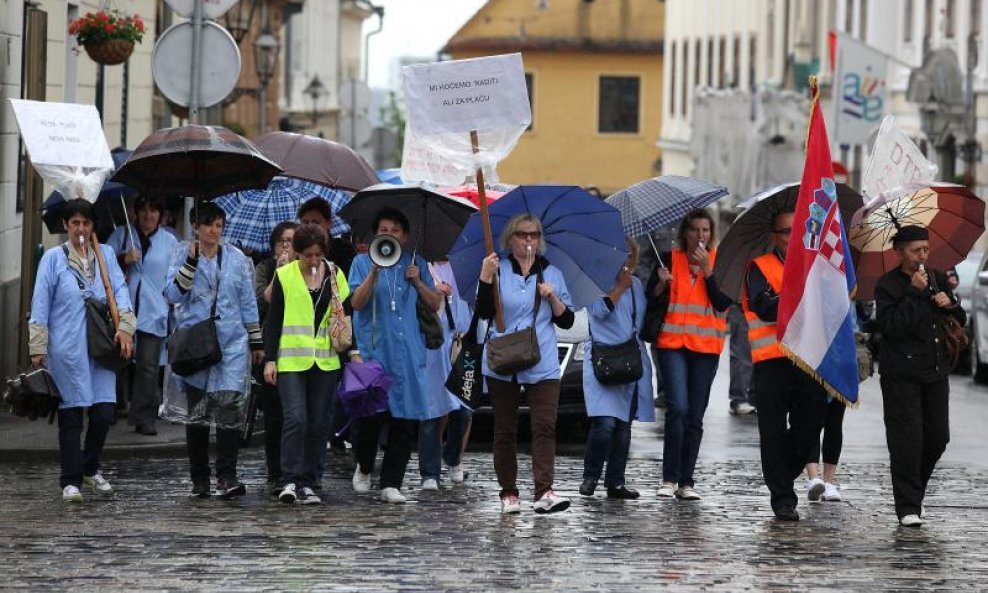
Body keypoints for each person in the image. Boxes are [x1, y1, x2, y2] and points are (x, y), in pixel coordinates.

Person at [29, 199, 136, 502]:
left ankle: (90, 467)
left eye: (86, 223)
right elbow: (40, 302)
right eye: (74, 223)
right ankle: (70, 479)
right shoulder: (53, 259)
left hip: (101, 346)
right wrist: (38, 347)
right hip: (67, 348)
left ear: (92, 227)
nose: (80, 228)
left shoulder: (106, 256)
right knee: (72, 414)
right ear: (66, 226)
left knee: (104, 412)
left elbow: (120, 291)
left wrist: (125, 327)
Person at [164, 202, 264, 499]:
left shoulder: (235, 259)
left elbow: (247, 301)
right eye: (208, 224)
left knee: (228, 412)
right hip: (196, 345)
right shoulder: (183, 253)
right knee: (197, 415)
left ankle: (226, 475)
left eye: (219, 225)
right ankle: (199, 477)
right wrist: (190, 264)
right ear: (196, 226)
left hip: (231, 345)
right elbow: (171, 294)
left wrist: (256, 342)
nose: (214, 230)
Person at [478, 214, 575, 514]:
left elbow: (568, 320)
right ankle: (509, 492)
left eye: (534, 235)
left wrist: (553, 299)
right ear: (511, 239)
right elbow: (482, 312)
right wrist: (485, 276)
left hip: (542, 360)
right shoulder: (498, 269)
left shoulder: (552, 274)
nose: (528, 240)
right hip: (503, 358)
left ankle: (544, 490)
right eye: (522, 235)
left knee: (545, 426)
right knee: (505, 429)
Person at [348, 207, 447, 504]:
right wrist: (375, 270)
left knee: (405, 421)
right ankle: (364, 465)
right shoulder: (362, 263)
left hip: (408, 356)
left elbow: (433, 305)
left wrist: (418, 281)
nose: (388, 234)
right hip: (375, 353)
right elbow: (357, 302)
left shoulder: (415, 263)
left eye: (394, 230)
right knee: (371, 420)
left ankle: (392, 482)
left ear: (404, 236)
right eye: (383, 230)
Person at [875, 224, 964, 527]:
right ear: (899, 253)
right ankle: (907, 507)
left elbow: (958, 316)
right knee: (906, 441)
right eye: (916, 251)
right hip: (901, 373)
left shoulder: (936, 277)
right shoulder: (887, 285)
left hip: (935, 369)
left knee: (938, 437)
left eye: (925, 249)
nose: (922, 256)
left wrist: (949, 303)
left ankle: (915, 492)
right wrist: (912, 293)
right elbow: (892, 328)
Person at [743, 208, 828, 521]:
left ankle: (784, 471)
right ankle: (782, 498)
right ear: (774, 237)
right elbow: (762, 306)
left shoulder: (814, 266)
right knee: (773, 431)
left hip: (807, 360)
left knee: (812, 421)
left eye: (796, 230)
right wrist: (794, 295)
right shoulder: (759, 267)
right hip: (772, 361)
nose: (792, 237)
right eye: (785, 231)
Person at [263, 224, 355, 505]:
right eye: (307, 255)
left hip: (325, 361)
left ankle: (309, 479)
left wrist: (353, 353)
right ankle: (288, 478)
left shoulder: (336, 274)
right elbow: (274, 319)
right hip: (291, 359)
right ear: (297, 253)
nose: (313, 260)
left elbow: (346, 315)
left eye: (317, 254)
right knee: (295, 418)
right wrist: (269, 358)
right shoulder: (285, 275)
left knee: (318, 423)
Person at [647, 209, 732, 500]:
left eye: (705, 230)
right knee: (678, 408)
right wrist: (660, 283)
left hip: (706, 347)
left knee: (695, 415)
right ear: (685, 233)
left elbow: (723, 303)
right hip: (672, 343)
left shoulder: (721, 261)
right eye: (695, 230)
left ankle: (687, 481)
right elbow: (651, 297)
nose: (700, 235)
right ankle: (669, 479)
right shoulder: (670, 259)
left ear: (712, 233)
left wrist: (708, 272)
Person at [579, 239, 655, 499]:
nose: (624, 259)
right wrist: (619, 289)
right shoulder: (595, 283)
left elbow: (642, 321)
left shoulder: (636, 285)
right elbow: (599, 312)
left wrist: (661, 289)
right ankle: (590, 476)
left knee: (623, 426)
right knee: (604, 424)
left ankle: (616, 482)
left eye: (629, 254)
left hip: (628, 359)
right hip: (602, 359)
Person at [105, 195, 179, 436]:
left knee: (148, 367)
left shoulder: (169, 241)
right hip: (122, 312)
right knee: (116, 362)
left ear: (161, 215)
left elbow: (175, 275)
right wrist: (122, 260)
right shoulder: (122, 236)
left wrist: (170, 299)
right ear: (135, 213)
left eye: (153, 210)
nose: (148, 216)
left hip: (153, 312)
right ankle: (110, 409)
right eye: (144, 210)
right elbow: (101, 267)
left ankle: (143, 417)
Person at [297, 196, 357, 472]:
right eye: (306, 222)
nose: (311, 227)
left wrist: (352, 348)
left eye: (316, 222)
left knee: (324, 411)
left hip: (331, 346)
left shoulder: (344, 254)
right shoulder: (291, 265)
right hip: (296, 353)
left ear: (329, 224)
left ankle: (318, 463)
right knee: (297, 417)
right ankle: (293, 469)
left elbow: (346, 304)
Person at [418, 260, 475, 490]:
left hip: (464, 343)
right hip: (434, 344)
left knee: (464, 409)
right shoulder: (423, 266)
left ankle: (452, 457)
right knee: (433, 409)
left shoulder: (467, 264)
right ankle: (429, 472)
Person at [252, 221, 298, 496]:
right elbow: (261, 301)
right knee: (273, 414)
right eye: (281, 241)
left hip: (297, 348)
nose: (285, 246)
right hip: (270, 345)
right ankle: (275, 472)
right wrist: (278, 274)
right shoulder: (265, 268)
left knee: (295, 414)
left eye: (291, 241)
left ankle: (295, 470)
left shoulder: (307, 269)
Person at [804, 399, 845, 502]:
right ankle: (813, 479)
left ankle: (828, 483)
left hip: (839, 384)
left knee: (835, 420)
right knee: (811, 419)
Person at [727, 305, 756, 415]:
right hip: (743, 303)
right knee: (742, 352)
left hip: (750, 301)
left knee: (754, 350)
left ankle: (750, 397)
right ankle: (740, 398)